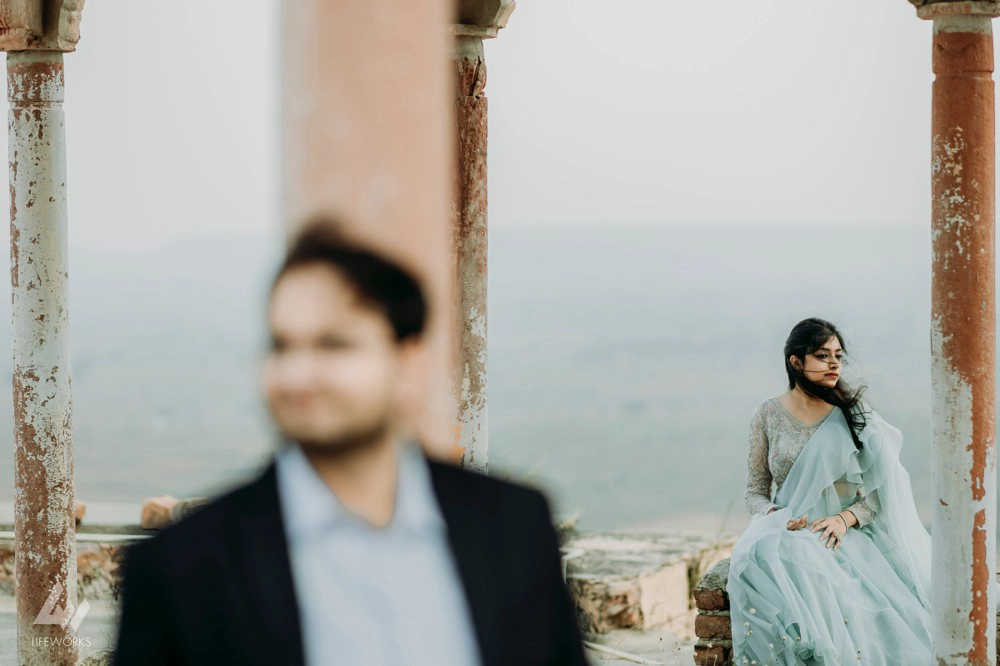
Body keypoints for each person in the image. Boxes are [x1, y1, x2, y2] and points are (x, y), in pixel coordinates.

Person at [112, 218, 588, 666]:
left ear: (408, 363)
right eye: (282, 346)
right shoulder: (182, 568)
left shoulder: (514, 526)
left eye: (333, 345)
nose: (298, 375)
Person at [728, 317, 935, 664]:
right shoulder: (766, 414)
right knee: (759, 559)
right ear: (796, 362)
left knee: (817, 568)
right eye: (823, 355)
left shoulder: (854, 416)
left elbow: (882, 492)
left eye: (838, 355)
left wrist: (844, 518)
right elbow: (755, 491)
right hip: (786, 530)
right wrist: (775, 516)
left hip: (843, 534)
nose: (835, 362)